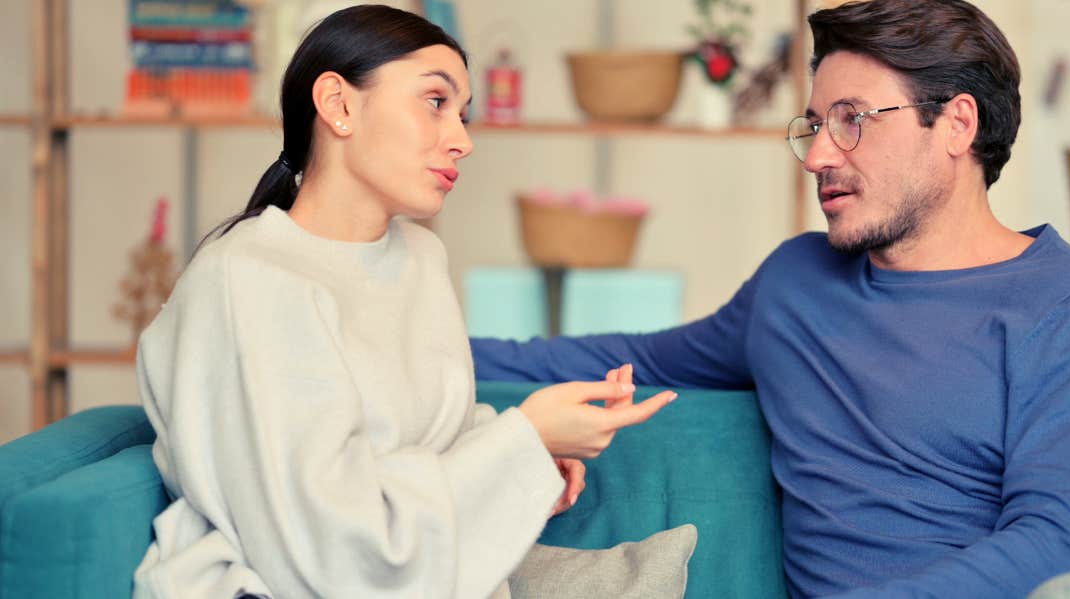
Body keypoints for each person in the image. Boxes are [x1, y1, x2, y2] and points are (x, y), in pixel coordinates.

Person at [470, 1, 1070, 597]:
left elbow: (1068, 547)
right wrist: (401, 349)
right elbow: (622, 357)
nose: (818, 156)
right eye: (814, 125)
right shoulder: (796, 286)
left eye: (852, 119)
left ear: (957, 124)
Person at [131, 6, 676, 599]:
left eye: (464, 115)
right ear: (339, 105)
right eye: (436, 102)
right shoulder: (246, 279)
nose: (463, 140)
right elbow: (329, 543)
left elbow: (431, 445)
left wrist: (531, 459)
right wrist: (521, 439)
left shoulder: (419, 259)